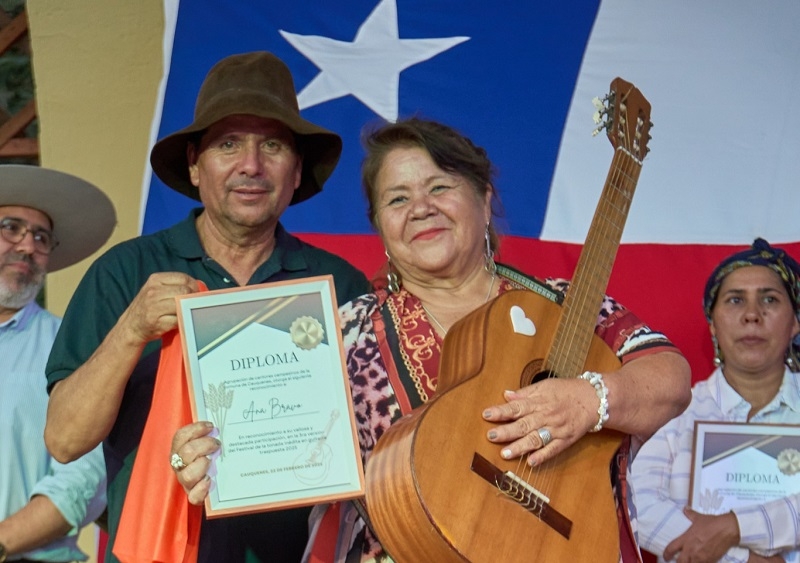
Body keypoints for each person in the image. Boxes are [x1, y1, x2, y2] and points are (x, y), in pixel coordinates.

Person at [173, 117, 692, 561]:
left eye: (440, 186)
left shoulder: (569, 304)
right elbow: (266, 445)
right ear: (381, 226)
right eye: (397, 198)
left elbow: (669, 378)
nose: (421, 207)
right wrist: (211, 459)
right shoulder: (339, 334)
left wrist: (591, 399)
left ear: (485, 200)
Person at [43, 51, 370, 563]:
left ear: (297, 169)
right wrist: (132, 329)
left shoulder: (339, 285)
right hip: (154, 552)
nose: (251, 165)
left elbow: (381, 439)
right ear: (194, 165)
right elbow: (64, 440)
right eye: (229, 143)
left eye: (274, 145)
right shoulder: (126, 272)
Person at [630, 238, 800, 563]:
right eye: (735, 300)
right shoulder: (677, 412)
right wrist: (744, 559)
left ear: (794, 322)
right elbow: (638, 503)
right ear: (713, 324)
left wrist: (734, 527)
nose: (752, 314)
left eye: (770, 299)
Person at [0, 165, 112, 563]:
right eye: (11, 227)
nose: (27, 246)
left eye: (41, 236)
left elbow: (82, 478)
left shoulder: (72, 348)